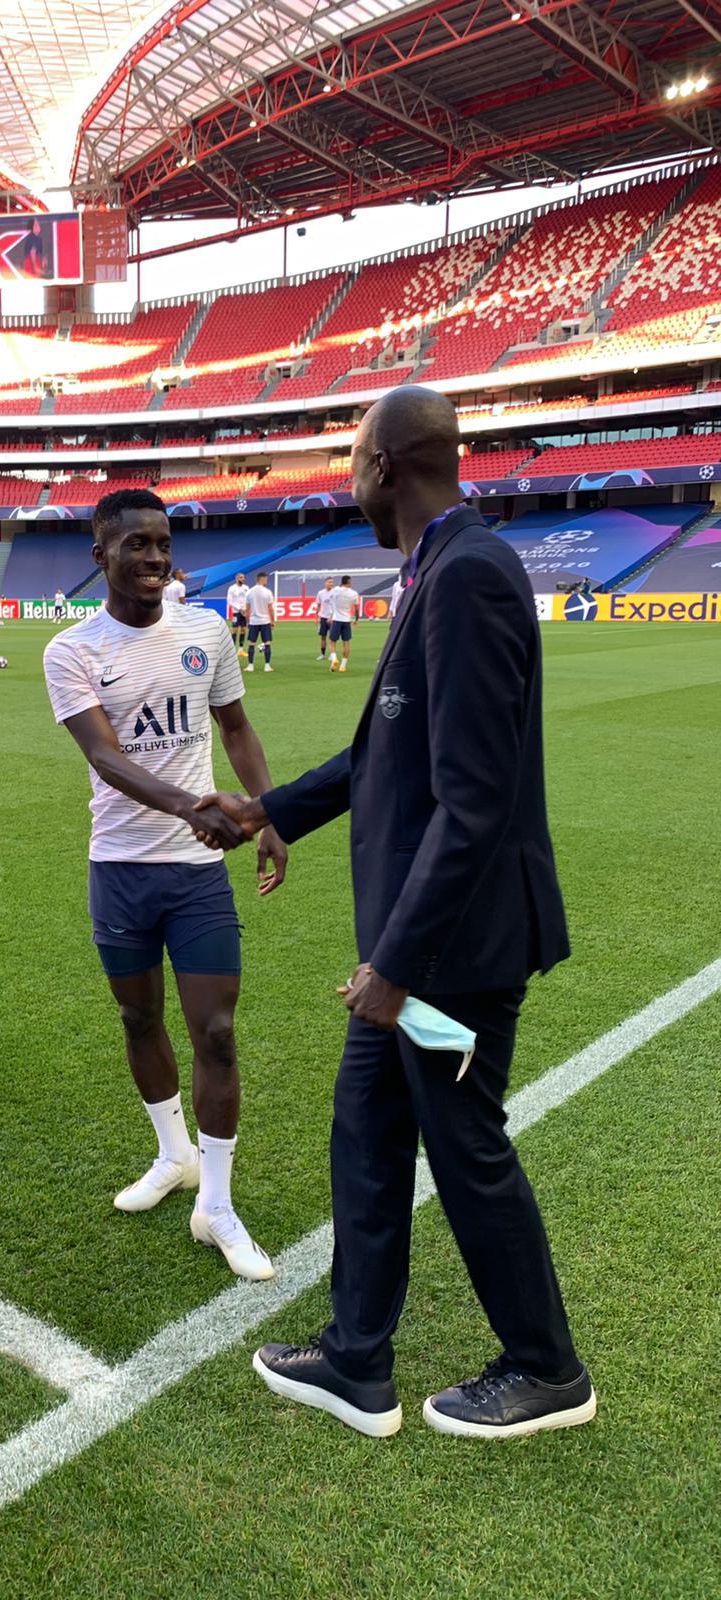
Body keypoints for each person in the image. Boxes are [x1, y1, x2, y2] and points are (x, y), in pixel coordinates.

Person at [198, 387, 592, 1439]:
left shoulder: (467, 578)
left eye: (351, 458)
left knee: (464, 1147)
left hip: (452, 949)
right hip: (420, 943)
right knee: (366, 1130)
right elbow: (383, 756)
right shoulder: (433, 568)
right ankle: (356, 1359)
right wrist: (264, 812)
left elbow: (472, 802)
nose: (345, 479)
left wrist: (397, 964)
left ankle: (550, 1368)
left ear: (383, 464)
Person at [43, 488, 288, 1281]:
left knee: (216, 1032)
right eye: (137, 545)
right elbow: (106, 758)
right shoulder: (71, 651)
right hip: (119, 867)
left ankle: (215, 1202)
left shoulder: (207, 631)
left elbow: (237, 729)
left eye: (163, 545)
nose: (154, 559)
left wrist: (267, 814)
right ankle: (172, 1155)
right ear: (100, 554)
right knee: (136, 1017)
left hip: (195, 874)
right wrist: (194, 806)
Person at [327, 576, 359, 673]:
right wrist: (356, 620)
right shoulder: (353, 593)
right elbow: (357, 608)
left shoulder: (336, 590)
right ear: (349, 582)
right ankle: (343, 666)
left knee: (332, 641)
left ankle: (334, 658)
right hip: (346, 620)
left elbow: (333, 591)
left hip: (337, 619)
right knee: (346, 643)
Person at [245, 572, 275, 674]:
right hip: (265, 621)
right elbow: (270, 608)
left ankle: (250, 666)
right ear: (262, 579)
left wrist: (248, 621)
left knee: (251, 644)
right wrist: (272, 620)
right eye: (266, 579)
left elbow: (247, 609)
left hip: (253, 621)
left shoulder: (249, 592)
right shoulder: (268, 592)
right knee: (267, 643)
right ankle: (267, 666)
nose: (266, 581)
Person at [226, 573, 250, 652]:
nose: (243, 579)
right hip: (236, 612)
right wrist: (240, 609)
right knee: (234, 630)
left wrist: (246, 609)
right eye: (241, 577)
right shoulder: (232, 588)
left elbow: (248, 599)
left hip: (244, 612)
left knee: (243, 629)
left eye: (244, 577)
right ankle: (232, 651)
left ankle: (240, 650)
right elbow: (230, 601)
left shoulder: (246, 588)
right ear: (237, 578)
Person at [316, 577, 335, 660]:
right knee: (323, 637)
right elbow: (318, 605)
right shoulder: (320, 593)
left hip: (333, 618)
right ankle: (322, 654)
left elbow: (335, 606)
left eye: (332, 582)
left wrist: (331, 617)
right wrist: (316, 617)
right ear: (325, 583)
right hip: (323, 617)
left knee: (332, 638)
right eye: (329, 582)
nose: (331, 583)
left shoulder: (335, 593)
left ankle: (332, 654)